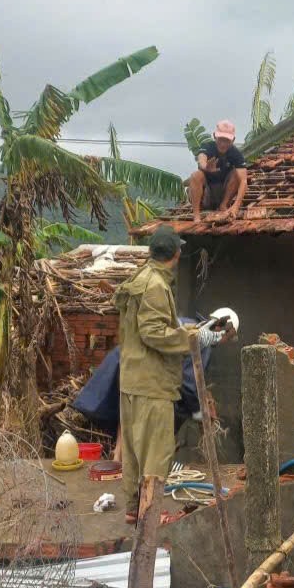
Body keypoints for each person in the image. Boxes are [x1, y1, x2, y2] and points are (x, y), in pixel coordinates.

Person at [114, 224, 230, 521]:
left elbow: (161, 327)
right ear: (176, 254)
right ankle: (149, 515)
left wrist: (202, 332)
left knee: (135, 453)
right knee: (156, 453)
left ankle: (134, 510)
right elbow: (153, 333)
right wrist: (193, 340)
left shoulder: (143, 277)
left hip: (134, 379)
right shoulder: (155, 285)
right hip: (152, 383)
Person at [187, 120, 248, 223]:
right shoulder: (208, 147)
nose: (223, 144)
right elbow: (201, 158)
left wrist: (236, 206)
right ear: (215, 136)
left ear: (232, 140)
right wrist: (206, 167)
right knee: (195, 175)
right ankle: (196, 215)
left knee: (237, 173)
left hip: (224, 192)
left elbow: (244, 181)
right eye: (220, 139)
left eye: (226, 140)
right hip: (207, 193)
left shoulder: (236, 154)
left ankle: (223, 205)